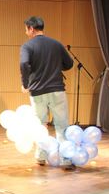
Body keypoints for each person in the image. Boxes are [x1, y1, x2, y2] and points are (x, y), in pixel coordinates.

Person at [19, 16, 74, 169]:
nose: (26, 32)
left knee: (40, 126)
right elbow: (69, 64)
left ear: (31, 28)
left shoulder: (27, 46)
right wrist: (56, 66)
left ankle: (41, 157)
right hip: (57, 90)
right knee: (62, 125)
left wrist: (25, 84)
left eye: (26, 29)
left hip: (38, 92)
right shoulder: (56, 44)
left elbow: (24, 63)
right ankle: (66, 159)